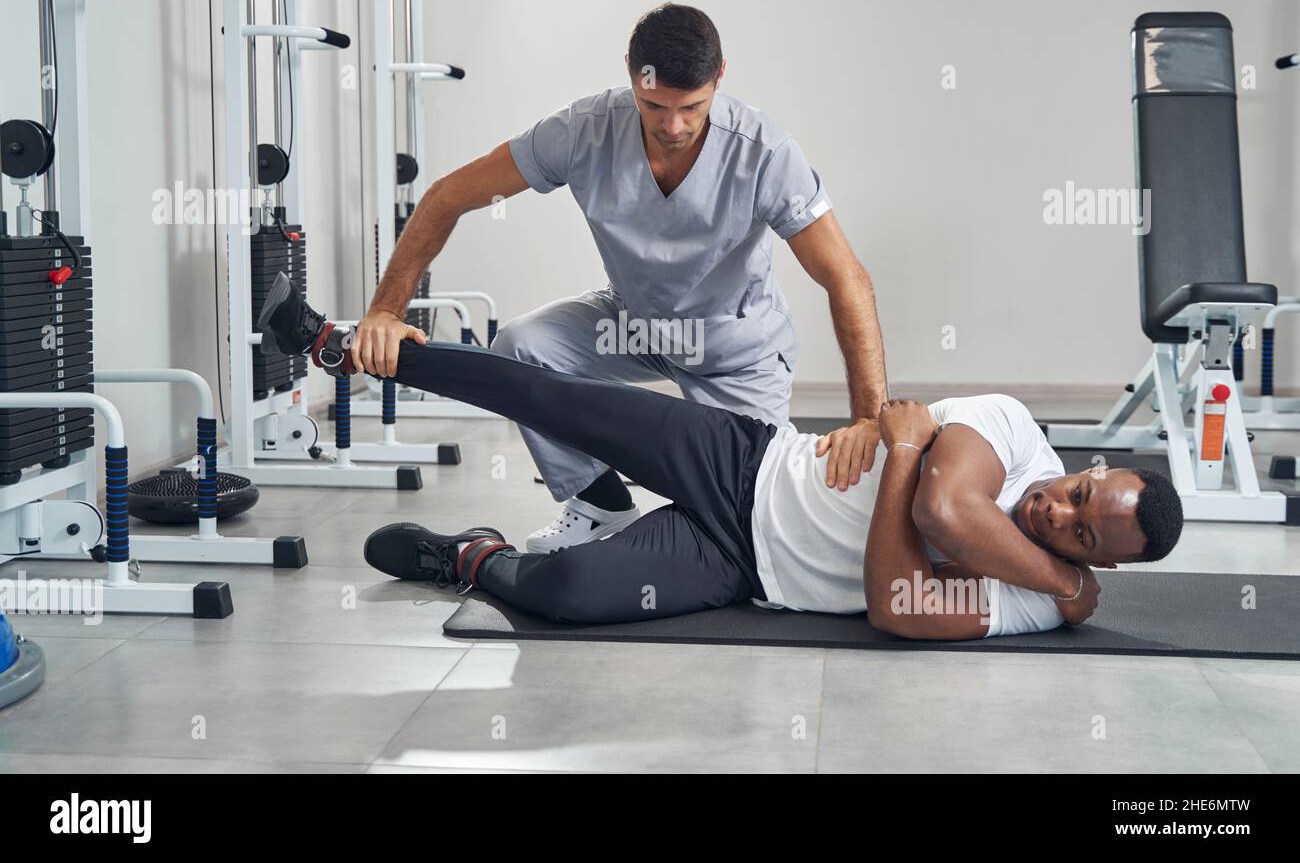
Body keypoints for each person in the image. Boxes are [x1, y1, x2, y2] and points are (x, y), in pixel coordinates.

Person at [258, 274, 1184, 640]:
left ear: (1098, 562)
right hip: (745, 461)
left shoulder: (1037, 598)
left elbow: (903, 605)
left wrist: (904, 454)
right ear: (1088, 464)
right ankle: (346, 343)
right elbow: (943, 524)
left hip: (741, 566)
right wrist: (1060, 586)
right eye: (1079, 492)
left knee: (562, 598)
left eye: (1082, 538)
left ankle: (465, 556)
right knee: (547, 391)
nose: (1058, 512)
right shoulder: (1018, 431)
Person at [352, 2, 888, 554]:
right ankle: (598, 500)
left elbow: (847, 278)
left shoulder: (766, 153)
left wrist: (870, 419)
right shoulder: (582, 132)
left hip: (734, 348)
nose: (673, 126)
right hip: (632, 324)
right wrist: (386, 310)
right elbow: (446, 196)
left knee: (746, 526)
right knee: (521, 345)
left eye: (692, 107)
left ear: (719, 77)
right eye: (654, 105)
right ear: (632, 73)